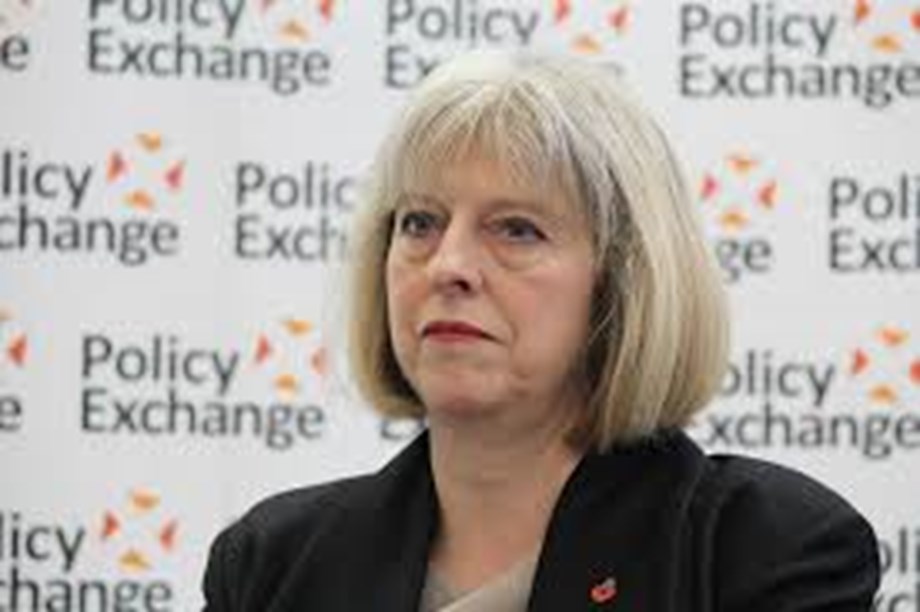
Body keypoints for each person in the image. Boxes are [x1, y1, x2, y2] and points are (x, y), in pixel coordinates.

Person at [202, 51, 880, 611]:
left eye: (516, 229)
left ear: (622, 281)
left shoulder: (761, 553)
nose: (448, 265)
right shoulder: (270, 568)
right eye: (420, 222)